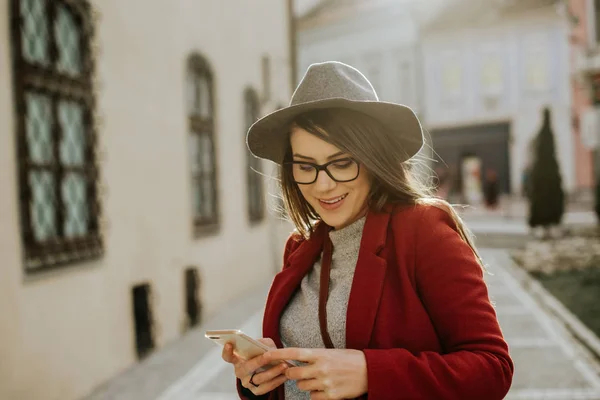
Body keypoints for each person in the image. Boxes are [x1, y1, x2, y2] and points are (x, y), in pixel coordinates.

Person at [221, 61, 513, 399]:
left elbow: (492, 368)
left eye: (342, 162)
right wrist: (259, 380)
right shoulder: (299, 247)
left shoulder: (422, 232)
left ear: (374, 159)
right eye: (305, 166)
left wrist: (371, 374)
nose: (323, 184)